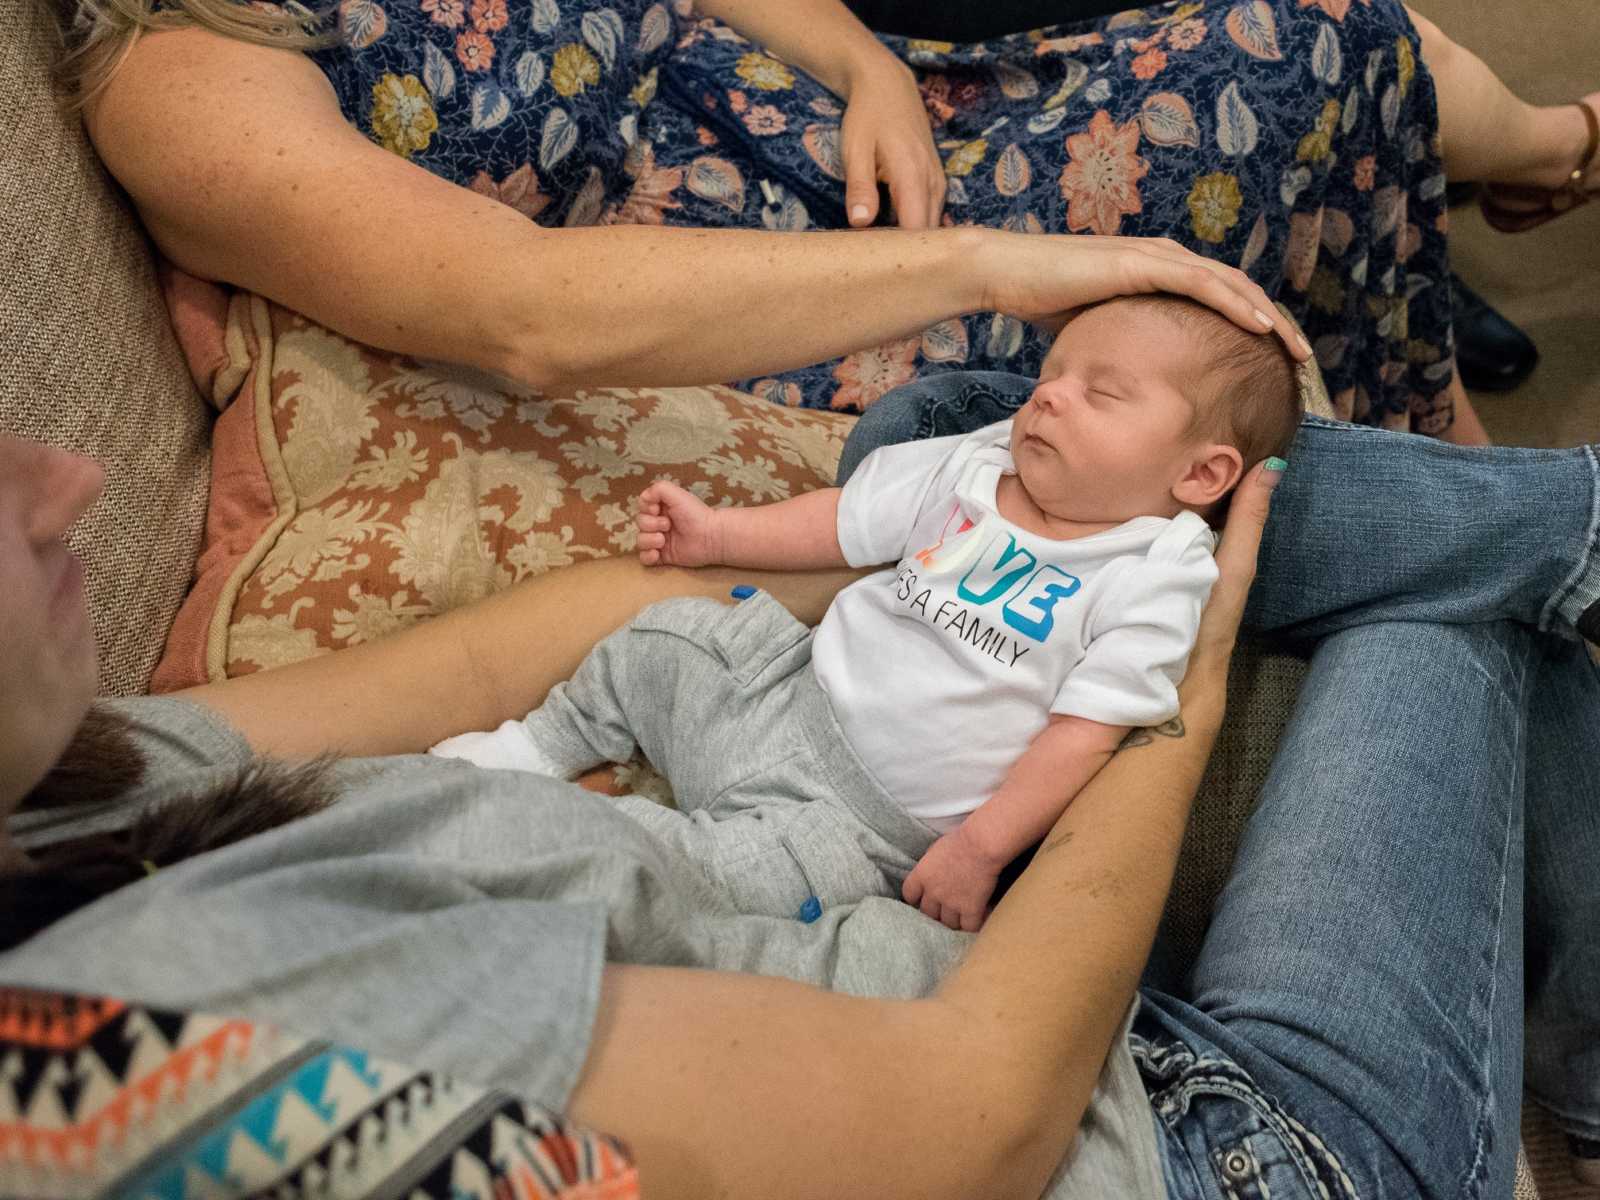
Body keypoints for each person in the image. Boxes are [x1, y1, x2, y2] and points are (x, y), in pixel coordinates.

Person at [6, 375, 1600, 1198]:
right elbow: (978, 1114)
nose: (69, 478)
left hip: (969, 945)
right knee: (1444, 619)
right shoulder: (145, 1054)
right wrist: (1167, 677)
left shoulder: (70, 784)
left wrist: (783, 575)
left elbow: (620, 628)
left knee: (927, 427)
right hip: (1180, 1142)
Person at [57, 0, 1597, 448]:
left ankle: (1418, 402)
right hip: (700, 289)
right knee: (1303, 80)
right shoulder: (177, 78)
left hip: (757, 112)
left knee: (1312, 28)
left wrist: (855, 56)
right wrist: (986, 257)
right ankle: (1443, 465)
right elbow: (525, 312)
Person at [429, 295, 1302, 931]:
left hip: (856, 827)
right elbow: (845, 520)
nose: (1049, 397)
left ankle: (581, 842)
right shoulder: (978, 459)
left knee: (713, 884)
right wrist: (718, 533)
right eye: (1051, 375)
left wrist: (981, 850)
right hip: (778, 692)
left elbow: (1083, 735)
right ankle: (536, 748)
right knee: (667, 641)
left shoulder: (1154, 574)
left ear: (1200, 476)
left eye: (1101, 394)